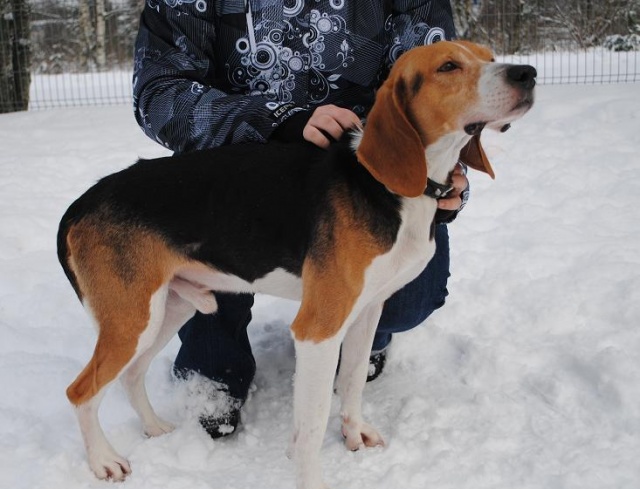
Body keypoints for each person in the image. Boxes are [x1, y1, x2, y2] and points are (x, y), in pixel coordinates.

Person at [132, 0, 469, 438]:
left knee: (410, 290)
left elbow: (437, 86)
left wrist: (440, 179)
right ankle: (211, 369)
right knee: (202, 249)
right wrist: (274, 120)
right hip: (235, 169)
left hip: (362, 175)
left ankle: (355, 339)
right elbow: (160, 92)